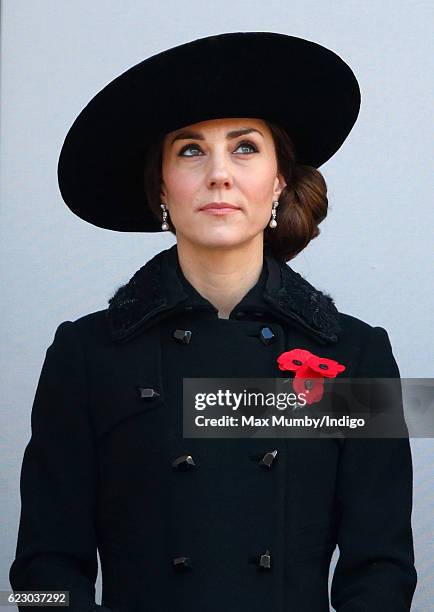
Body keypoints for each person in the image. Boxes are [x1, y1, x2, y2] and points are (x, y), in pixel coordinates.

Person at [9, 32, 417, 611]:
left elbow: (383, 567)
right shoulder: (84, 354)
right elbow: (39, 576)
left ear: (279, 181)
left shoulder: (357, 353)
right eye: (191, 150)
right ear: (161, 187)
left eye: (246, 148)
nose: (219, 175)